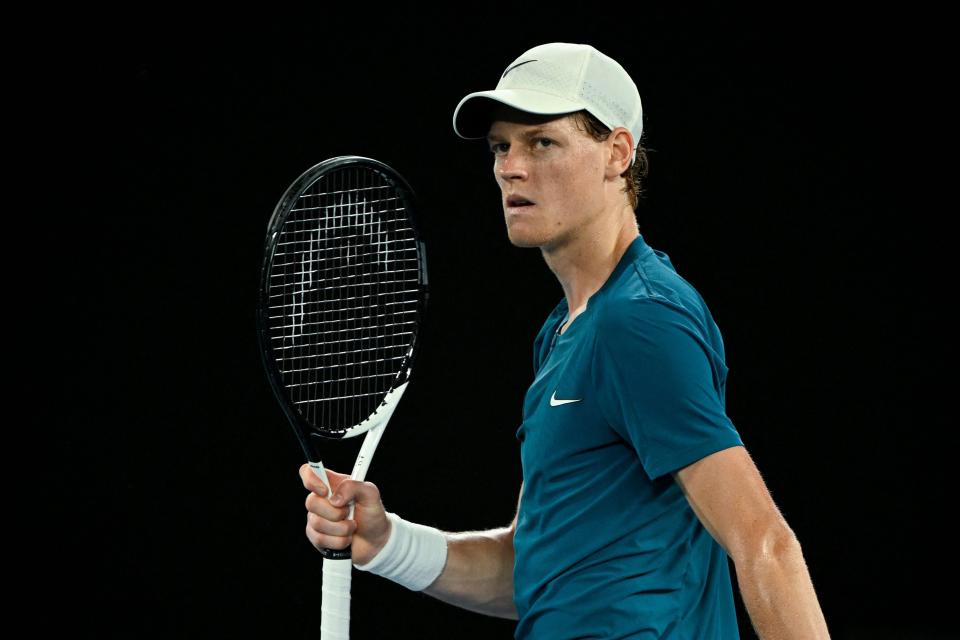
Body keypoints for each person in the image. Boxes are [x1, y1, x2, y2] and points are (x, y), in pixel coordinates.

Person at [300, 42, 831, 639]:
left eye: (541, 142)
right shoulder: (565, 333)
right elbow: (534, 574)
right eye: (501, 146)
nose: (510, 166)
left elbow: (765, 544)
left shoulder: (641, 322)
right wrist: (388, 542)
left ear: (617, 153)